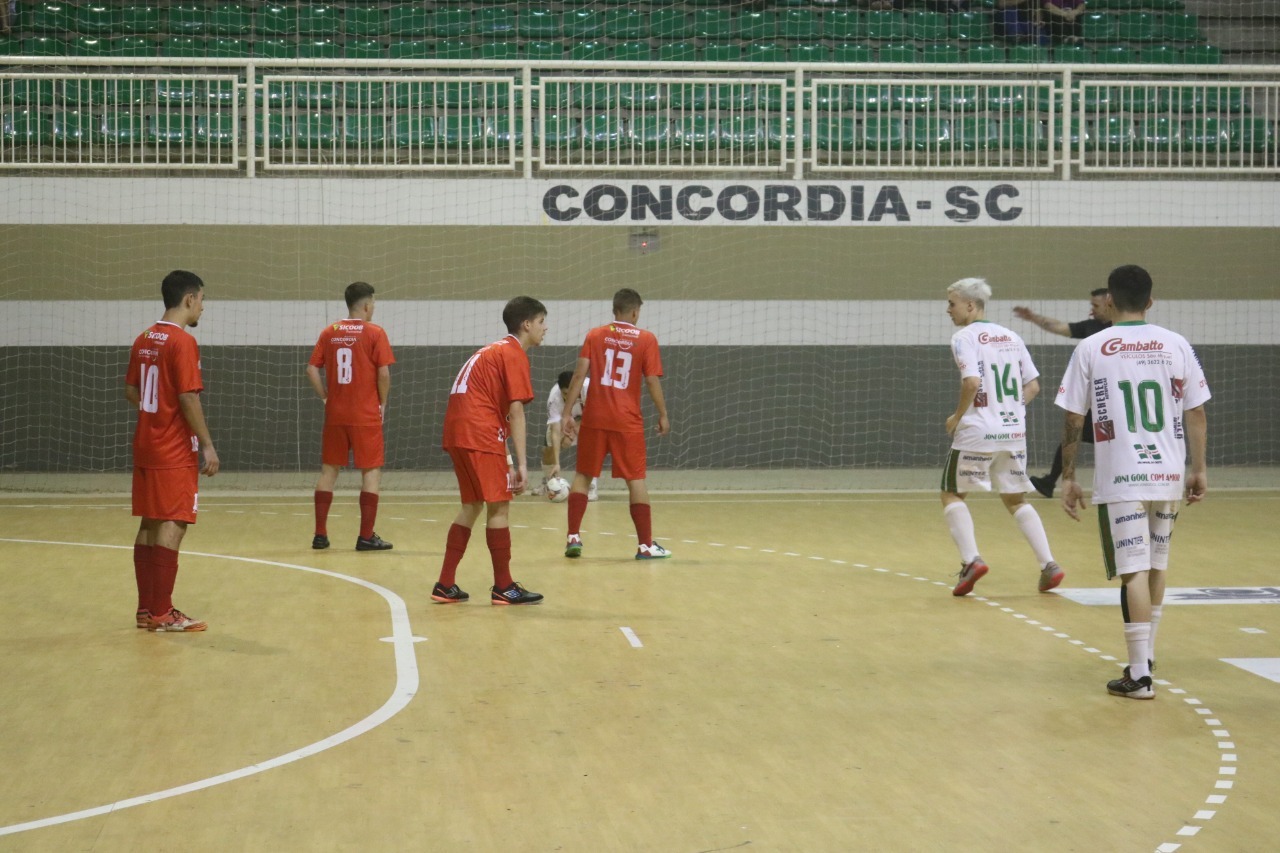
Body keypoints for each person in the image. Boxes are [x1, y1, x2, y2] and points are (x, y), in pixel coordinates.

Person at [1056, 265, 1210, 700]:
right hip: (1167, 473)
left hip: (1121, 475)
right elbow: (1195, 412)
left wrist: (1068, 477)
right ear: (1150, 300)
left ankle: (1140, 674)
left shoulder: (1092, 346)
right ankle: (1146, 657)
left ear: (1110, 299)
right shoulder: (1176, 343)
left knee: (1133, 572)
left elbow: (1073, 416)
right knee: (1157, 563)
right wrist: (1198, 469)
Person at [941, 278, 1065, 597]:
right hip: (1013, 432)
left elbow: (971, 381)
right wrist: (1008, 406)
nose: (948, 309)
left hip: (978, 432)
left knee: (952, 494)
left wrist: (957, 416)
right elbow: (1033, 386)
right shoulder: (1011, 335)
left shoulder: (963, 337)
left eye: (952, 303)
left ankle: (971, 561)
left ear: (970, 305)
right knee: (1015, 499)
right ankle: (1049, 564)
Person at [432, 296, 548, 606]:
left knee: (472, 504)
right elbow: (516, 412)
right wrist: (523, 465)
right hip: (478, 432)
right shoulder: (513, 355)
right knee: (499, 506)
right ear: (526, 324)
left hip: (459, 432)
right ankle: (504, 587)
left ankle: (444, 584)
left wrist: (507, 458)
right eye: (541, 322)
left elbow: (497, 413)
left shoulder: (491, 351)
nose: (545, 328)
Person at [124, 270, 219, 632]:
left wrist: (155, 412)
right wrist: (207, 445)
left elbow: (132, 391)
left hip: (146, 444)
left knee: (149, 522)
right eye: (202, 300)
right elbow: (187, 396)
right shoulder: (182, 342)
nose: (203, 309)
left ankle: (146, 609)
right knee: (174, 523)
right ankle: (163, 612)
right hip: (172, 449)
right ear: (189, 299)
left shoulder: (144, 338)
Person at [561, 288, 672, 560]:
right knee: (636, 480)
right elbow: (652, 380)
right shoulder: (646, 339)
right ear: (635, 312)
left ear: (614, 310)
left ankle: (573, 536)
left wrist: (567, 413)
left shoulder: (595, 335)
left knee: (583, 476)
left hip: (595, 418)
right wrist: (663, 413)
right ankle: (645, 546)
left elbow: (578, 375)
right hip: (627, 421)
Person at [307, 282, 395, 551]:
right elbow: (383, 373)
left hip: (335, 413)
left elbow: (311, 369)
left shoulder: (329, 332)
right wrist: (382, 404)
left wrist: (325, 397)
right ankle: (366, 536)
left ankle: (320, 535)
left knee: (329, 471)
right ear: (367, 305)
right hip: (365, 414)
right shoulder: (375, 333)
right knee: (371, 472)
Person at [1013, 288, 1113, 497]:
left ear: (1109, 303)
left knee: (1111, 443)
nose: (1092, 310)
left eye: (1095, 305)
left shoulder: (1121, 330)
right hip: (1096, 399)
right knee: (1072, 435)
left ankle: (1117, 483)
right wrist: (1033, 317)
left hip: (1116, 402)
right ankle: (1051, 481)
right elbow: (1059, 327)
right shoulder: (1090, 327)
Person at [536, 370, 598, 501]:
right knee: (548, 450)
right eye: (565, 393)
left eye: (572, 392)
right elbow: (554, 430)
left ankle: (591, 485)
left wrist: (576, 425)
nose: (569, 396)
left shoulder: (589, 388)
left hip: (587, 420)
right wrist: (557, 463)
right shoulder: (554, 398)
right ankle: (550, 482)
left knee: (590, 443)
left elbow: (595, 416)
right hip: (563, 421)